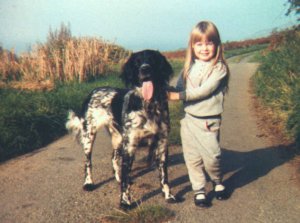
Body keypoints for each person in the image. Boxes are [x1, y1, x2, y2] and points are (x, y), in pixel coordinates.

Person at [168, 21, 230, 207]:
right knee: (192, 158)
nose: (204, 48)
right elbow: (178, 87)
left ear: (217, 45)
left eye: (209, 43)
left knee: (212, 157)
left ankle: (217, 181)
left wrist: (176, 96)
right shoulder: (188, 68)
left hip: (208, 122)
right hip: (189, 121)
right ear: (192, 46)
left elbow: (203, 91)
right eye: (199, 44)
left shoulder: (219, 68)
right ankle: (199, 190)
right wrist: (161, 90)